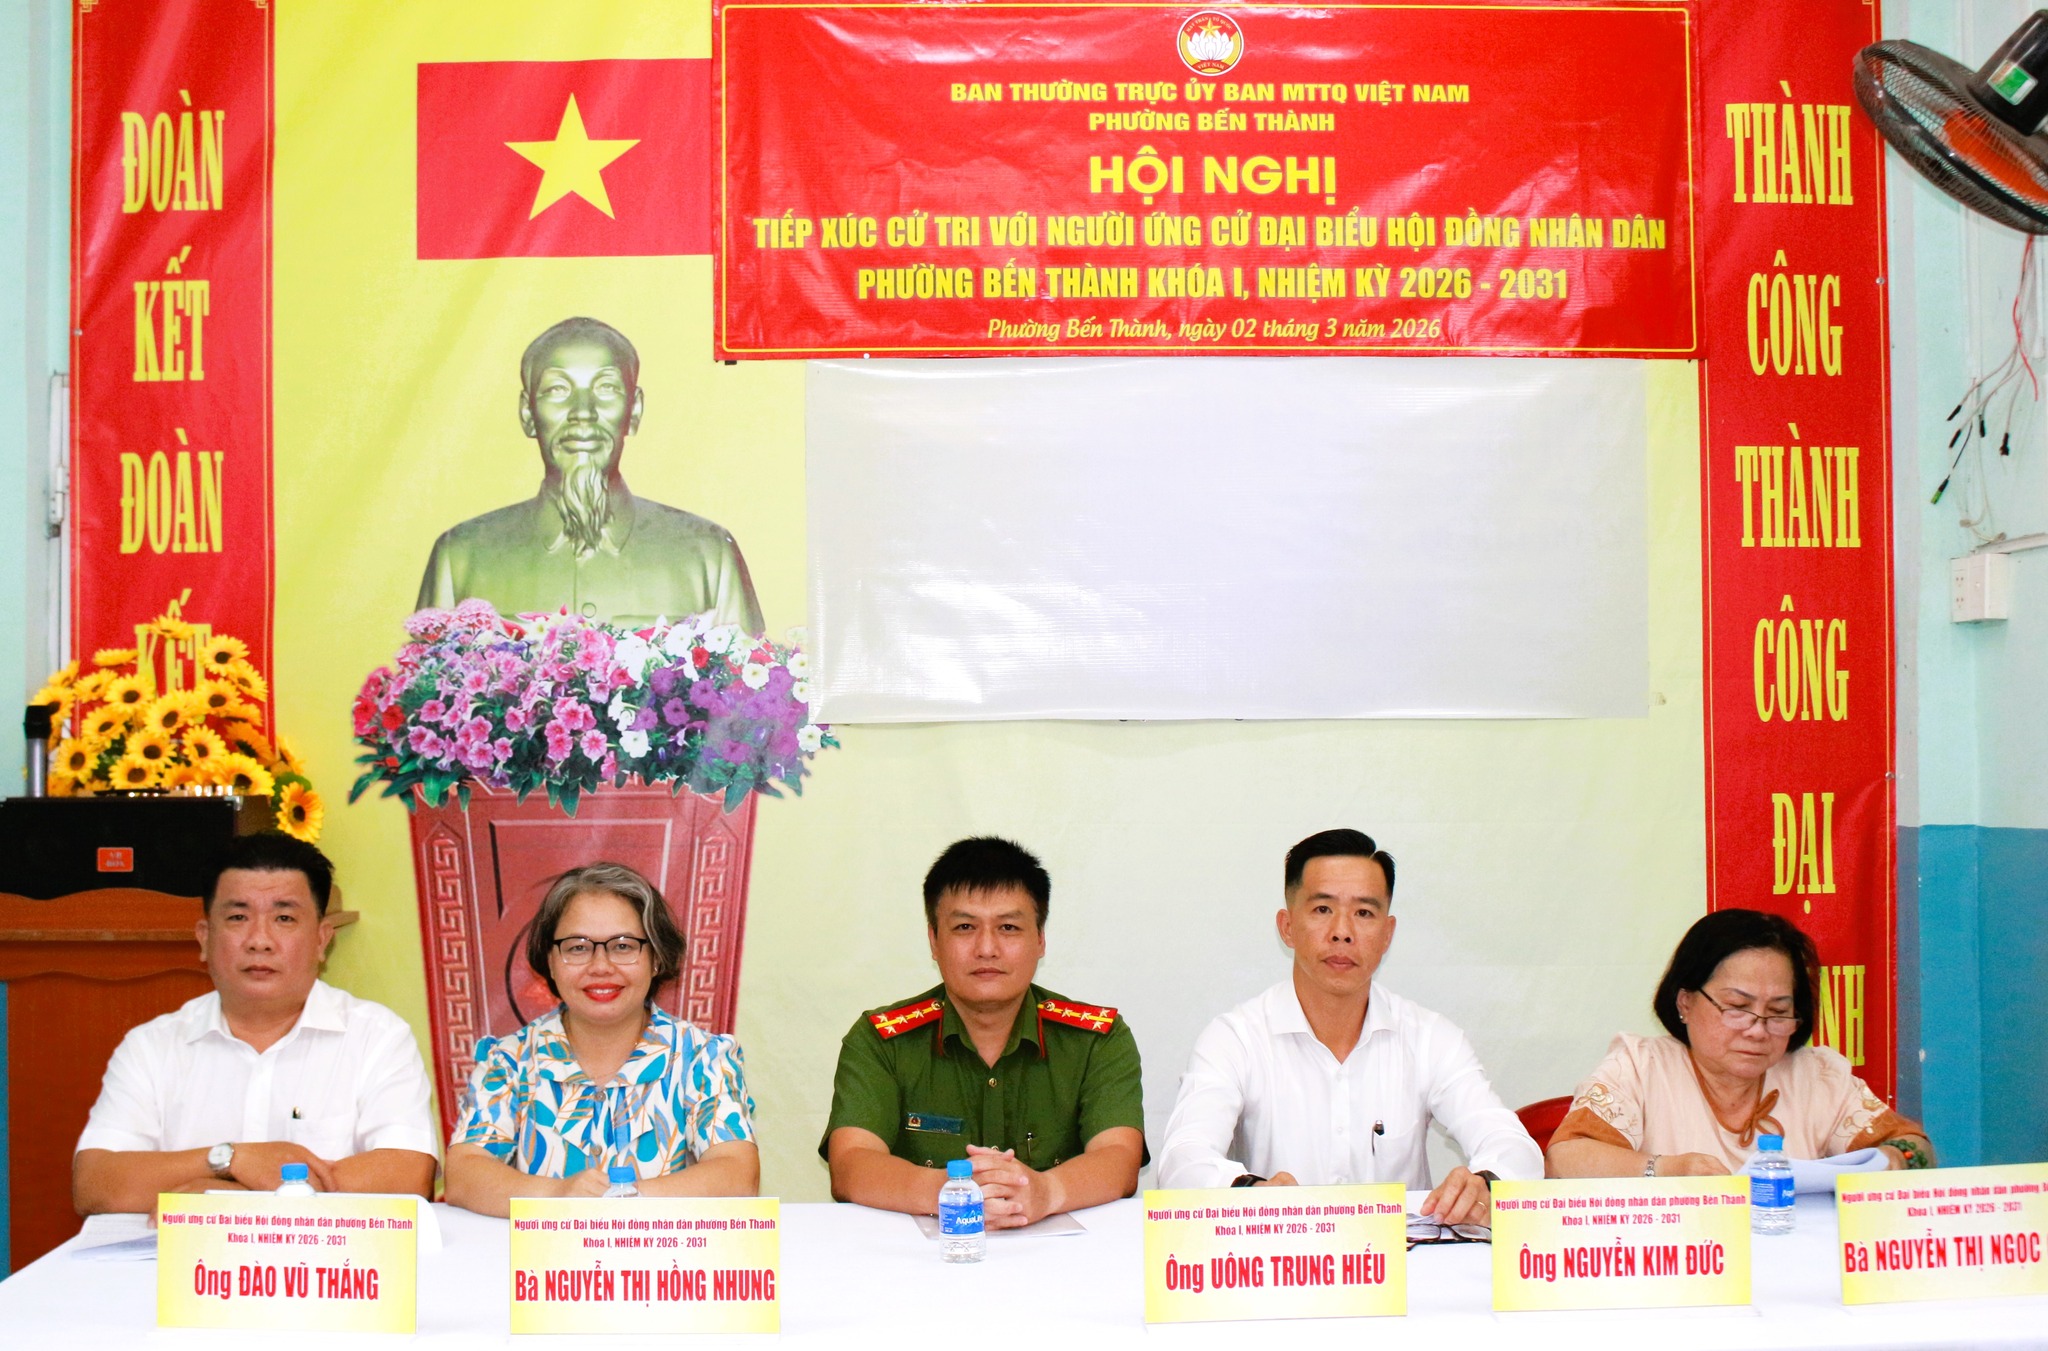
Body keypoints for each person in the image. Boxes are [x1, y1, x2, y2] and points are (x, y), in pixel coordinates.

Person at [1158, 829, 1538, 1225]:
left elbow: (1514, 1146)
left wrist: (1485, 1184)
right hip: (1279, 1253)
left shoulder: (1430, 1038)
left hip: (1403, 1258)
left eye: (1364, 913)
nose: (1342, 931)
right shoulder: (1235, 1039)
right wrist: (1250, 1193)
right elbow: (1183, 1160)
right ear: (1287, 927)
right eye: (1323, 909)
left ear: (1387, 934)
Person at [73, 833, 438, 1212]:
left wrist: (234, 1198)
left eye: (284, 918)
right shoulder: (152, 1046)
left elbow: (407, 1176)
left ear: (321, 940)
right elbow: (96, 1185)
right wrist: (230, 1159)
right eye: (238, 917)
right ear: (204, 938)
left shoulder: (377, 1037)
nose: (260, 940)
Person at [822, 837, 1145, 1227]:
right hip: (922, 1259)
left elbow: (1119, 1157)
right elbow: (851, 1162)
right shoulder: (880, 1041)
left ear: (1040, 939)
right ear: (934, 940)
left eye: (1008, 927)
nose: (986, 948)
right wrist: (950, 1192)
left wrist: (1045, 1192)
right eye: (964, 927)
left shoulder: (1096, 1040)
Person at [445, 862, 757, 1216]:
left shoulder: (702, 1057)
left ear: (656, 957)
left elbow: (737, 1173)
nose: (601, 966)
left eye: (623, 946)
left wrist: (624, 1200)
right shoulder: (510, 1060)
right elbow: (464, 1173)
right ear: (550, 961)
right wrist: (558, 1196)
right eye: (578, 948)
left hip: (664, 1251)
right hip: (548, 1252)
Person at [415, 317, 764, 632]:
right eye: (557, 390)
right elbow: (427, 678)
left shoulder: (708, 556)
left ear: (634, 410)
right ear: (527, 413)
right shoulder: (461, 558)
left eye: (606, 388)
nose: (583, 412)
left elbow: (748, 682)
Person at [1546, 908, 1934, 1177]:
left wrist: (1895, 1158)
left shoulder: (1817, 1077)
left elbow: (1917, 1148)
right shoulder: (1639, 1067)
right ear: (1685, 1002)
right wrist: (1667, 1169)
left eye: (1778, 1012)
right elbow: (1566, 1158)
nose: (1757, 1030)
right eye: (1737, 1007)